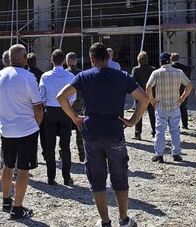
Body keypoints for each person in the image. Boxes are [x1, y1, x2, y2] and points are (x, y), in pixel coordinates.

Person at [57, 42, 150, 227]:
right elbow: (144, 99)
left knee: (97, 179)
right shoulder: (121, 76)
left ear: (91, 59)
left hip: (91, 133)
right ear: (108, 57)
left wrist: (75, 118)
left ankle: (105, 222)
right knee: (119, 176)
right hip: (115, 131)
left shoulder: (84, 76)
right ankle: (123, 219)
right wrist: (133, 121)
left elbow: (61, 97)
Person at [0, 44, 44, 219]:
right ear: (23, 58)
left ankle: (6, 200)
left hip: (7, 129)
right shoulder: (28, 77)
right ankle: (18, 207)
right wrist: (38, 123)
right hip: (26, 128)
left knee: (7, 166)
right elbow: (38, 107)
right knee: (23, 170)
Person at [146, 52, 192, 163]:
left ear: (160, 61)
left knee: (160, 131)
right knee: (175, 131)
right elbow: (189, 85)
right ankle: (176, 154)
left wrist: (152, 99)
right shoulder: (179, 72)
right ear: (170, 61)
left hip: (161, 106)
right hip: (175, 105)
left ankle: (159, 155)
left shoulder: (156, 73)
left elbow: (148, 87)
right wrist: (183, 97)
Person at [39, 49, 76, 185]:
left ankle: (51, 177)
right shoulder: (70, 76)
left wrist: (47, 105)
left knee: (50, 147)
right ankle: (66, 177)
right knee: (65, 146)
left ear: (52, 61)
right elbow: (73, 96)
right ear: (64, 61)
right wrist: (66, 106)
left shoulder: (45, 76)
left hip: (50, 111)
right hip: (65, 111)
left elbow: (41, 96)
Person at [130, 51, 155, 140]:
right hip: (150, 94)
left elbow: (133, 81)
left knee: (139, 114)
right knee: (152, 114)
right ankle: (154, 132)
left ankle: (138, 133)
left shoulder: (135, 69)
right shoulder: (152, 69)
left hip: (140, 95)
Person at [65, 52, 85, 162]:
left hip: (67, 108)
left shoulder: (64, 73)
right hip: (79, 107)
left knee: (66, 132)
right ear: (76, 61)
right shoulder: (81, 74)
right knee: (80, 132)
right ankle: (82, 154)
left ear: (67, 61)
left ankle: (64, 152)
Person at [171, 53, 192, 130]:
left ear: (171, 59)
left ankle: (176, 125)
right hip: (183, 89)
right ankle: (185, 124)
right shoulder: (184, 68)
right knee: (183, 107)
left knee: (174, 109)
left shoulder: (171, 68)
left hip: (174, 89)